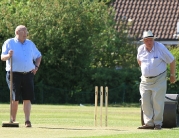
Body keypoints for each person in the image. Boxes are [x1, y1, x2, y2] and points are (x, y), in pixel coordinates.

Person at [1, 25, 42, 127]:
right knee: (15, 98)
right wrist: (8, 56)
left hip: (28, 74)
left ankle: (27, 121)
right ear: (17, 33)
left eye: (26, 32)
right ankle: (13, 120)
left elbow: (38, 56)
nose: (25, 34)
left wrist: (36, 67)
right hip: (14, 74)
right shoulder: (9, 42)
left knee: (27, 98)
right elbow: (2, 57)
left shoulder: (30, 44)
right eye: (23, 32)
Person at [137, 30, 176, 130]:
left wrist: (172, 75)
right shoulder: (140, 49)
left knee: (157, 101)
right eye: (147, 40)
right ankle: (149, 123)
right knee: (145, 101)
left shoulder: (160, 47)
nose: (149, 42)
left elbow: (172, 60)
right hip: (145, 80)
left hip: (159, 78)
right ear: (144, 41)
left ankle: (158, 123)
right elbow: (139, 60)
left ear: (153, 40)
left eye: (151, 40)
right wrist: (145, 71)